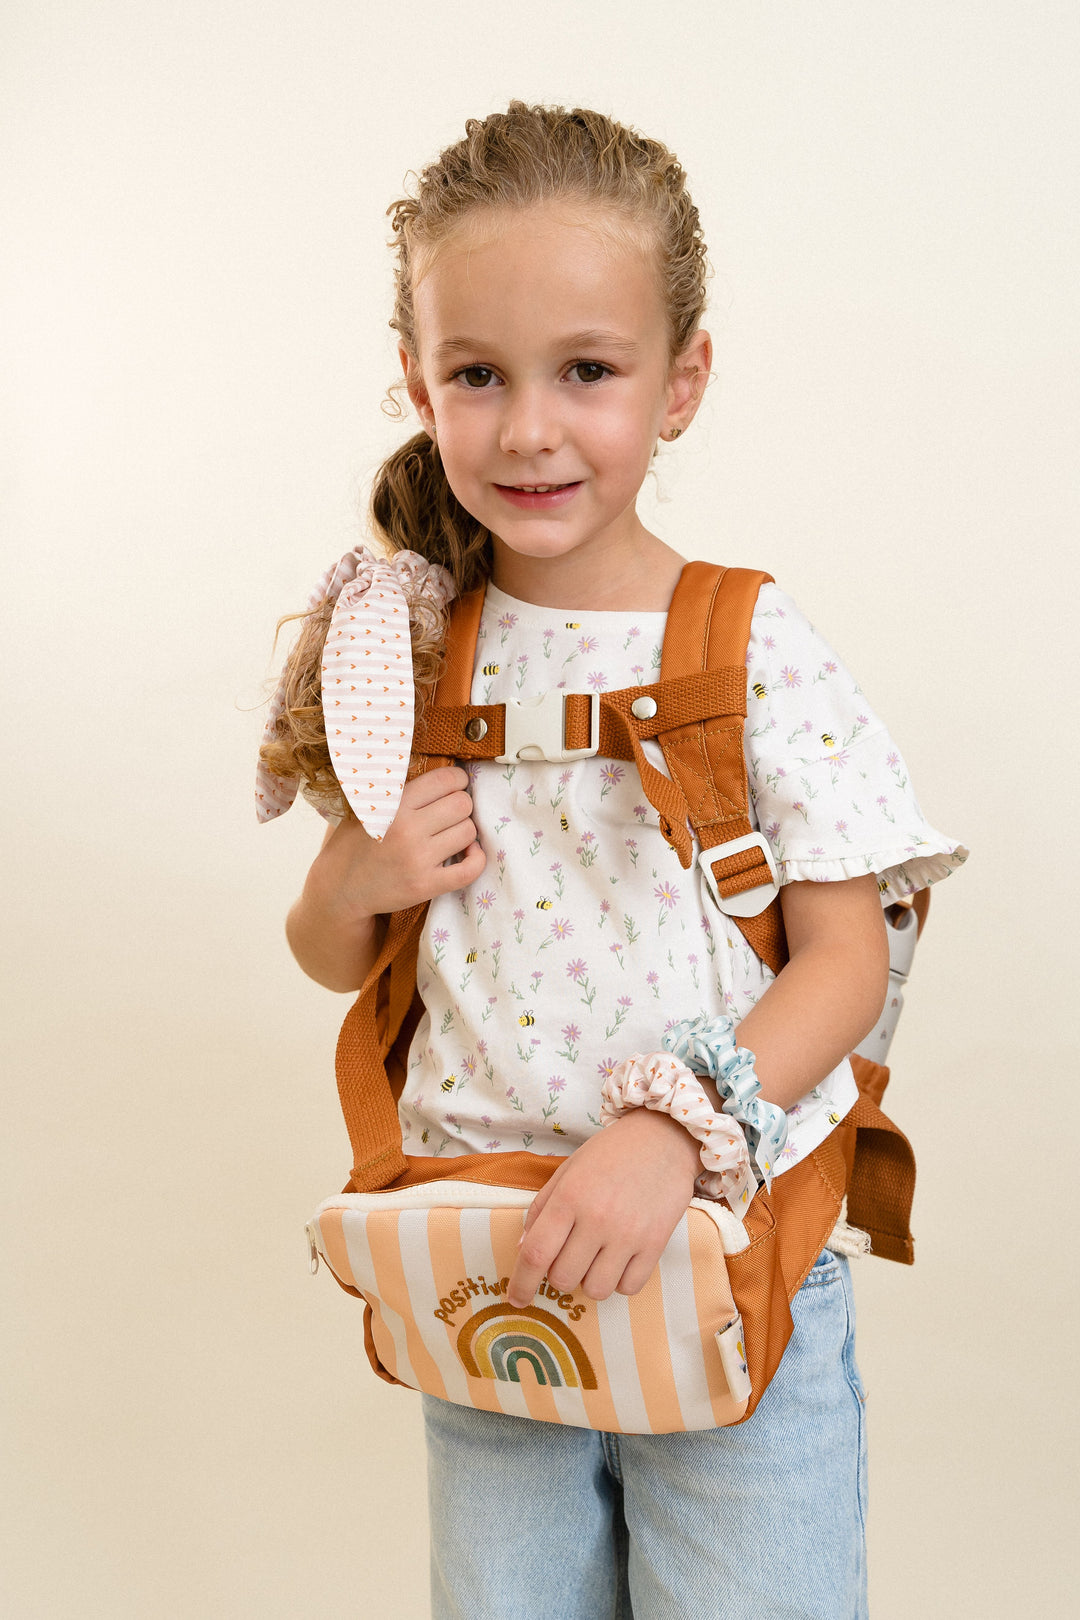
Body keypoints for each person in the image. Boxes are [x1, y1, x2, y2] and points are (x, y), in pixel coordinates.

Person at [263, 102, 966, 1620]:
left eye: (587, 371)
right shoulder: (416, 643)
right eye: (478, 375)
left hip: (725, 1248)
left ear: (682, 380)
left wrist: (673, 1129)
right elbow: (333, 953)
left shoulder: (748, 638)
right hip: (493, 1263)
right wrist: (354, 881)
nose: (528, 427)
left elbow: (848, 962)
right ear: (418, 384)